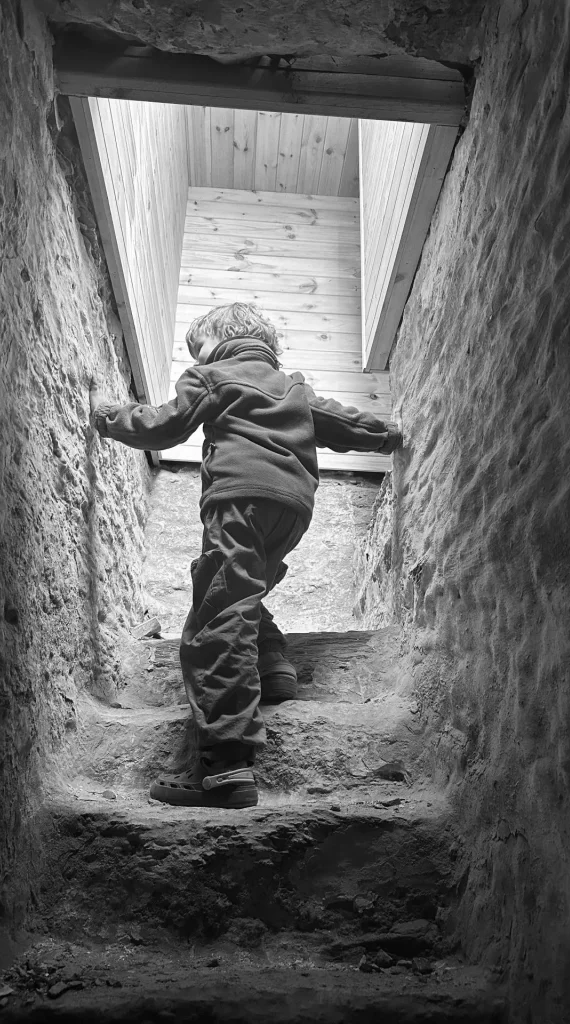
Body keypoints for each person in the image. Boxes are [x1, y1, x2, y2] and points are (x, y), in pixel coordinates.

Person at [89, 302, 402, 809]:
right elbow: (341, 422)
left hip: (239, 498)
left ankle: (225, 766)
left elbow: (164, 426)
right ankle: (272, 664)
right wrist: (387, 435)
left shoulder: (212, 375)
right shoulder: (293, 386)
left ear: (219, 338)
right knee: (241, 590)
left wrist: (107, 417)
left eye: (198, 348)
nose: (196, 358)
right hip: (293, 508)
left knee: (217, 616)